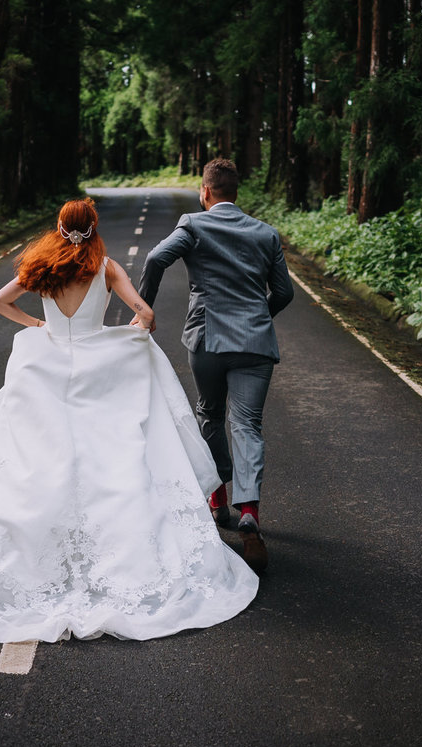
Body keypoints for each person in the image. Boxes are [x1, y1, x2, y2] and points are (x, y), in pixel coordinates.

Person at [0, 198, 258, 644]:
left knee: (35, 458)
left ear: (59, 227)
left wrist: (37, 324)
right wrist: (134, 330)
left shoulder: (41, 264)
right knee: (110, 454)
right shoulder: (107, 267)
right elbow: (147, 315)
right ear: (93, 228)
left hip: (48, 362)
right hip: (99, 363)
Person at [137, 158, 294, 573]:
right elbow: (284, 292)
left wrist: (144, 310)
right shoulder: (266, 233)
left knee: (209, 412)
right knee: (247, 425)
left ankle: (218, 497)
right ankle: (250, 515)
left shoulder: (193, 224)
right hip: (255, 342)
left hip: (207, 339)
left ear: (204, 192)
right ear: (236, 193)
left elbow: (155, 259)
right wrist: (258, 317)